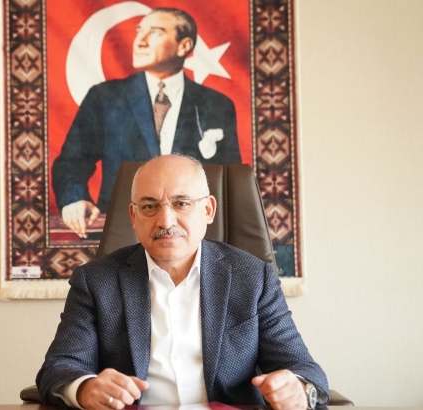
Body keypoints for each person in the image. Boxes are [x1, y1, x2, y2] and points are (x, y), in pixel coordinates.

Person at [37, 154, 328, 410]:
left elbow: (305, 369)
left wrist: (299, 389)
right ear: (134, 216)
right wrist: (85, 389)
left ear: (208, 210)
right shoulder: (95, 281)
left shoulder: (253, 278)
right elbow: (59, 368)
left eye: (182, 203)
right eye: (149, 206)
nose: (166, 221)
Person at [53, 7, 241, 239]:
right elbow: (71, 162)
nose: (140, 41)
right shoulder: (105, 98)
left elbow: (230, 180)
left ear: (183, 46)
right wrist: (74, 199)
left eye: (155, 32)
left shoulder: (217, 104)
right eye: (139, 31)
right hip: (121, 233)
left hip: (193, 238)